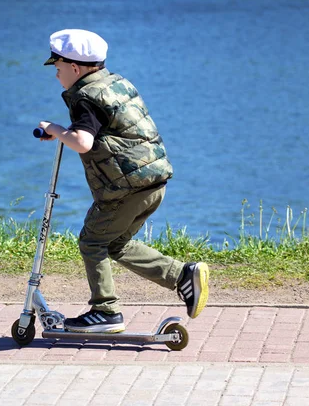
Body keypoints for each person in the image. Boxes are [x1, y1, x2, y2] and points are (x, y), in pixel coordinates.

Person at [38, 29, 209, 333]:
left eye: (57, 67)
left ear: (75, 68)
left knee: (92, 241)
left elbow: (82, 142)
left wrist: (57, 129)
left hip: (126, 189)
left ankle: (105, 311)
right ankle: (182, 276)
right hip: (153, 182)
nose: (56, 75)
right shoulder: (116, 83)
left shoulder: (85, 96)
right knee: (115, 244)